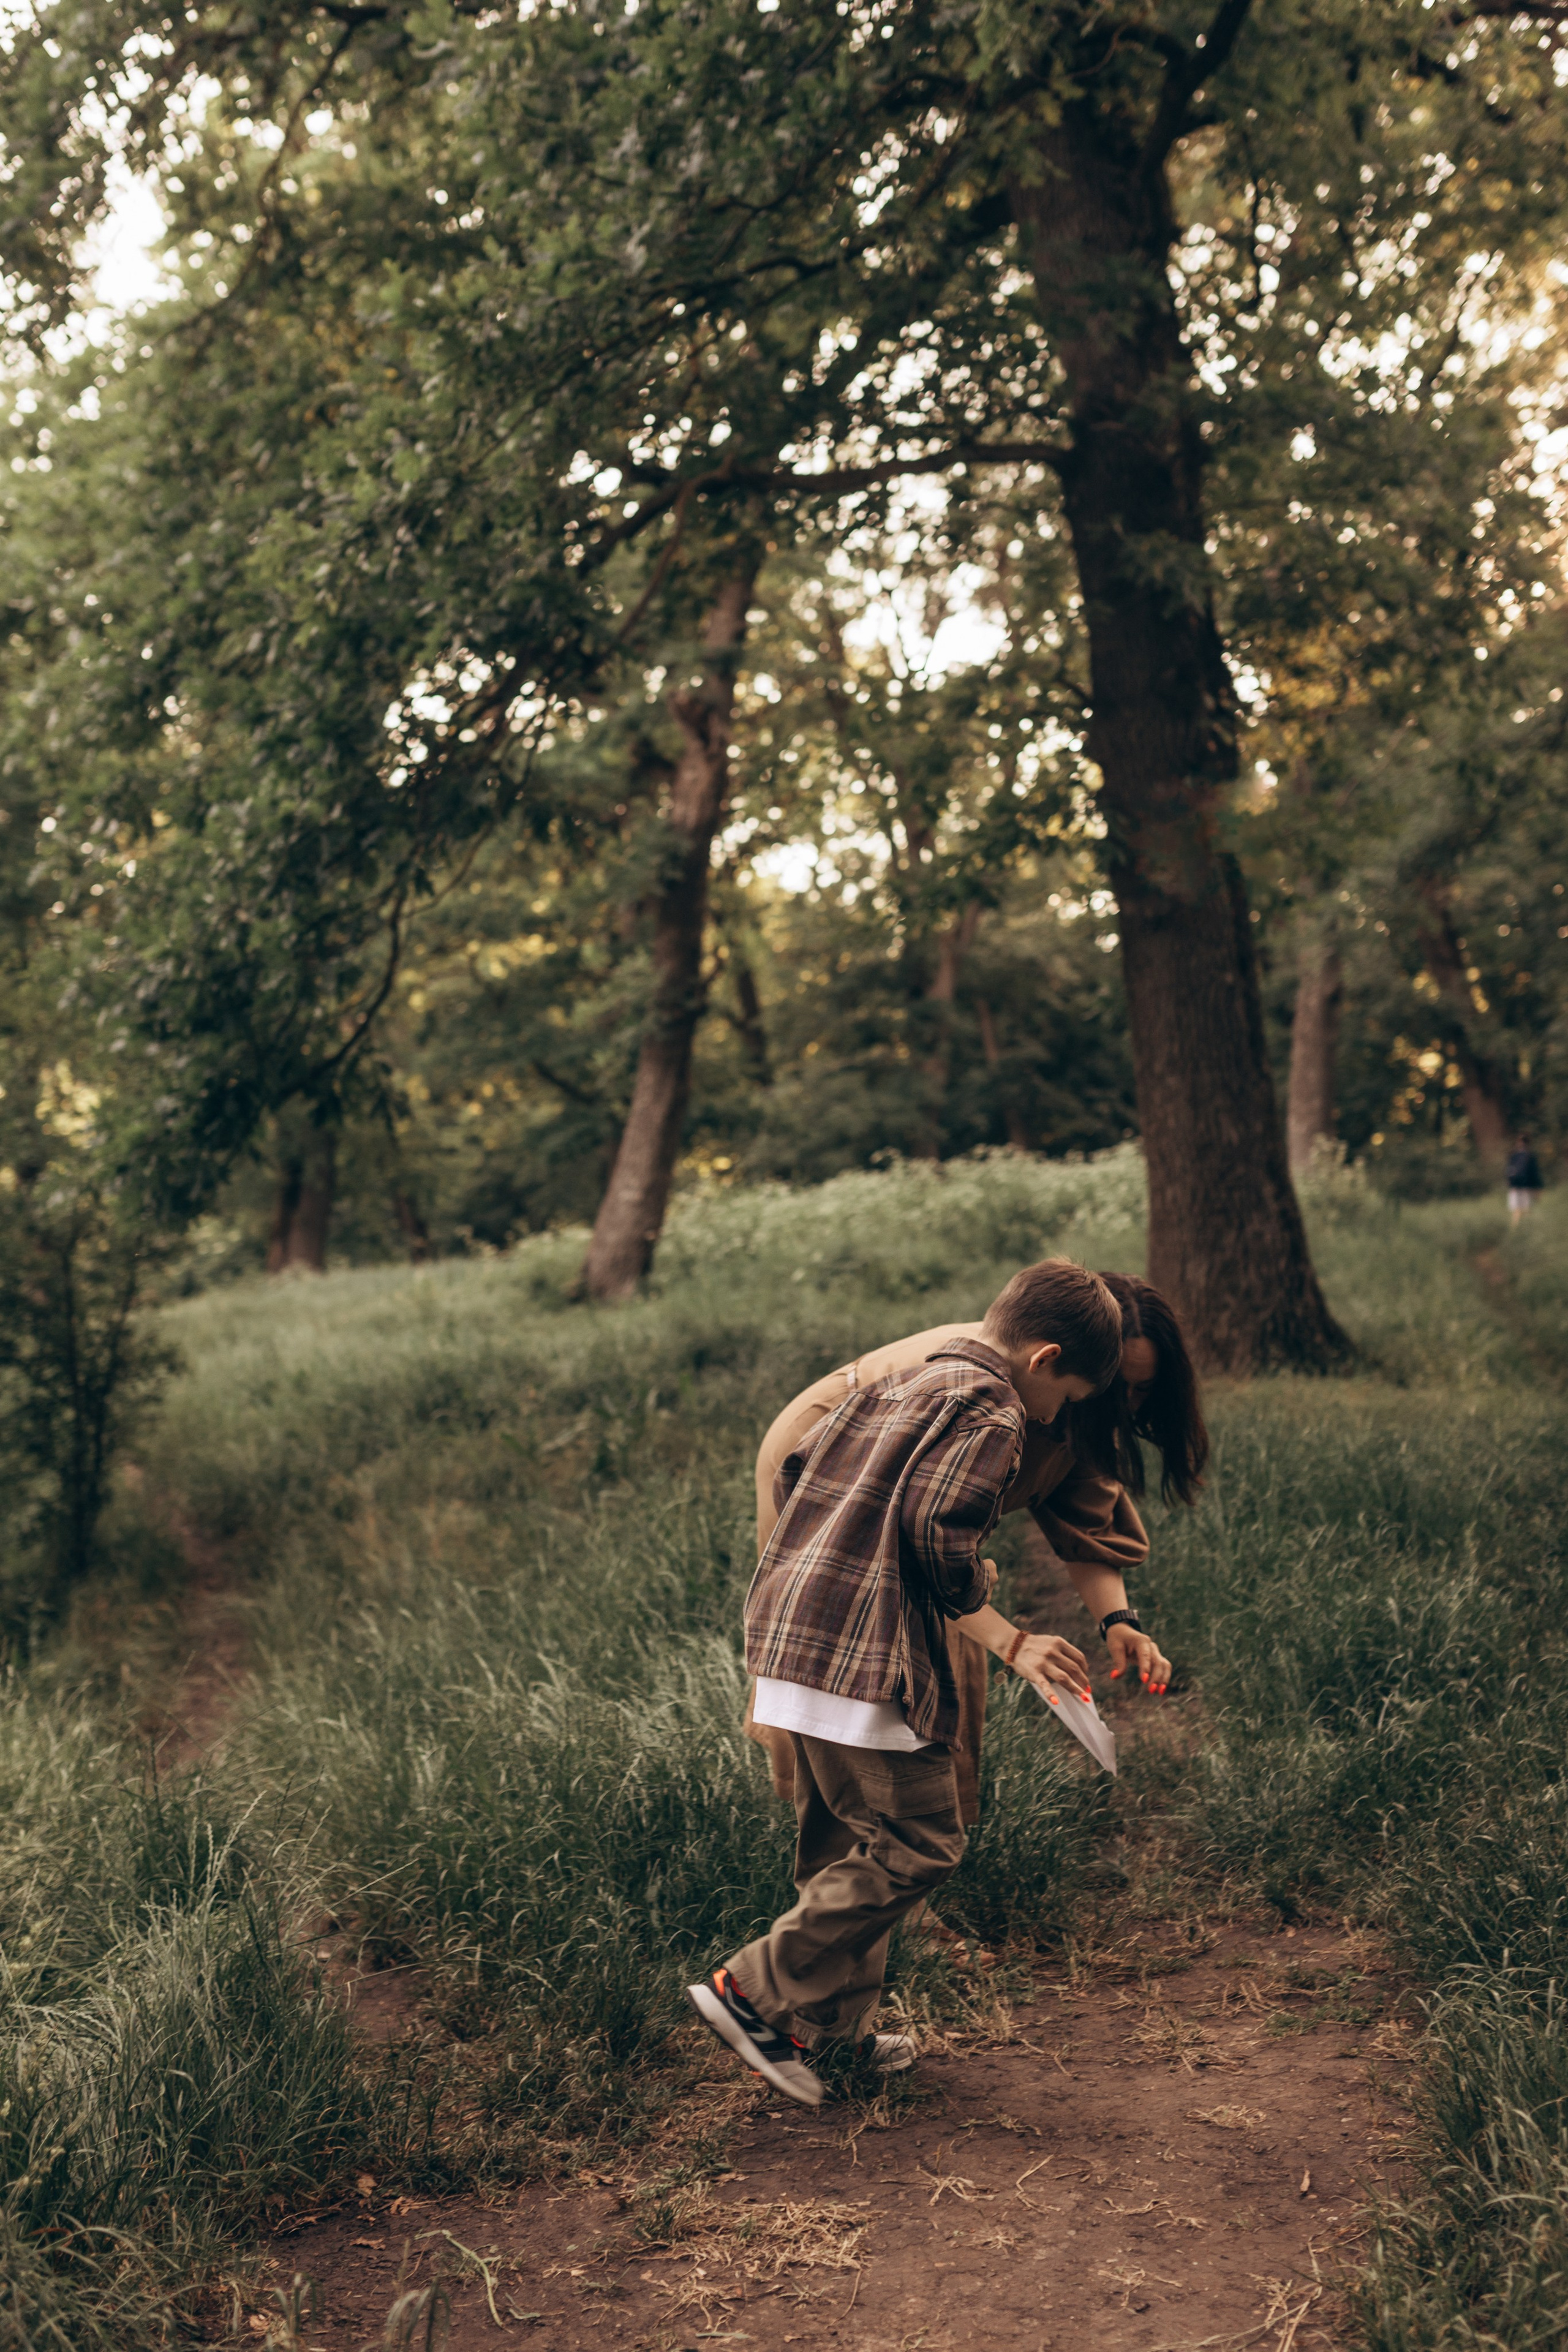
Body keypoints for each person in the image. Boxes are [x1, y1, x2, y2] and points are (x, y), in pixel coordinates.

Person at [687, 1258, 1123, 2108]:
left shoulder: (904, 1379)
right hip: (863, 1655)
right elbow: (937, 1527)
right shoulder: (994, 1405)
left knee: (844, 1842)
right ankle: (754, 1988)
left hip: (788, 1638)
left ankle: (825, 2037)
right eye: (1068, 1395)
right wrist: (972, 1593)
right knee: (924, 1840)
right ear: (1043, 1360)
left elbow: (795, 1474)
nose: (1060, 1415)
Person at [742, 1267, 1208, 1828]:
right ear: (1056, 1358)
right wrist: (1011, 1643)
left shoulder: (1069, 1397)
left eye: (1143, 1389)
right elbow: (920, 1547)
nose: (1130, 1404)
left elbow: (1086, 1522)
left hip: (921, 1527)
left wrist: (1119, 1622)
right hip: (829, 1463)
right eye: (1122, 1387)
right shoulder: (984, 1394)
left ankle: (921, 1848)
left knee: (948, 1668)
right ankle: (859, 1847)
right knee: (857, 1654)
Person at [1507, 1134, 1544, 1225]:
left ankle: (1515, 1229)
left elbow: (1509, 1172)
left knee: (1516, 1211)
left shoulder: (1514, 1156)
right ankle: (1527, 1228)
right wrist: (1538, 1187)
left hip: (1515, 1186)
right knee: (1527, 1209)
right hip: (1526, 1186)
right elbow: (1534, 1174)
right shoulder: (1530, 1156)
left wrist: (1510, 1184)